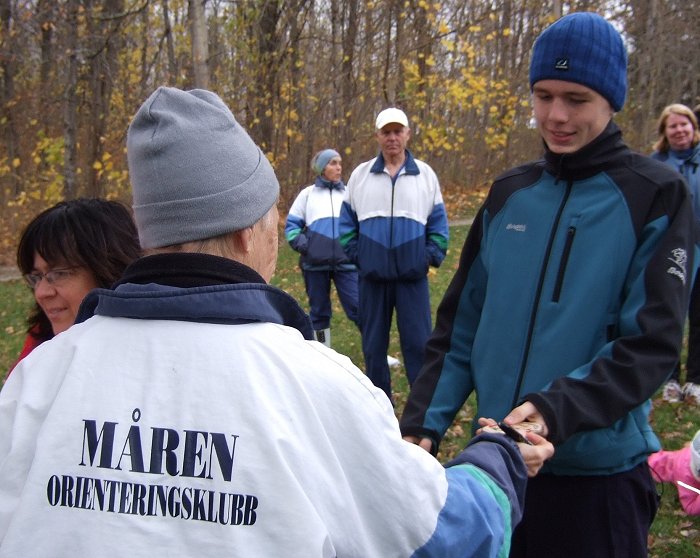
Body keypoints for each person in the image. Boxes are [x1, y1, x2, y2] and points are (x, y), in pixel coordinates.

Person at [0, 86, 554, 557]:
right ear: (247, 233)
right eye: (272, 216)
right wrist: (497, 460)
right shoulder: (316, 384)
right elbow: (434, 535)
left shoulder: (38, 379)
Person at [400, 12, 698, 558]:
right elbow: (461, 326)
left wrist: (553, 410)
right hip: (498, 474)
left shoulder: (655, 194)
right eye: (543, 95)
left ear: (611, 101)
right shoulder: (510, 193)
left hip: (598, 482)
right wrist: (422, 422)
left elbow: (651, 344)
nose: (556, 115)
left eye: (576, 99)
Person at [339, 107, 449, 401]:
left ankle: (420, 412)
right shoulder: (361, 175)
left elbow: (439, 225)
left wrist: (428, 257)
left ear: (407, 134)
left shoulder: (425, 175)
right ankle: (380, 409)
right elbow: (346, 225)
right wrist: (360, 256)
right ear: (377, 136)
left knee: (419, 345)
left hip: (412, 278)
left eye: (397, 131)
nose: (392, 138)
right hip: (372, 279)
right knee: (373, 347)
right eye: (386, 132)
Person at [9, 198, 140, 373]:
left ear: (109, 271)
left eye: (59, 274)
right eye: (37, 276)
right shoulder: (38, 348)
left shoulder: (144, 356)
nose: (41, 293)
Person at [651, 104, 700, 404]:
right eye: (673, 126)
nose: (680, 130)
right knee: (671, 314)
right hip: (670, 252)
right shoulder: (655, 165)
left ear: (693, 127)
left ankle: (695, 381)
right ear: (665, 132)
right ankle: (669, 379)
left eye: (684, 124)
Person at [285, 149, 359, 347]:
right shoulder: (307, 195)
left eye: (339, 163)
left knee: (359, 308)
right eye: (333, 163)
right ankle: (323, 353)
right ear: (321, 168)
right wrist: (306, 246)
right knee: (319, 313)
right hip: (314, 265)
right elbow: (291, 227)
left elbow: (361, 225)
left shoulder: (349, 194)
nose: (338, 167)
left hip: (346, 264)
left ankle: (376, 352)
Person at [648, 430, 700, 516]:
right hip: (673, 466)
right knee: (656, 464)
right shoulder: (686, 478)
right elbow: (690, 507)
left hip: (687, 456)